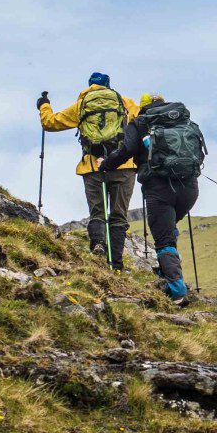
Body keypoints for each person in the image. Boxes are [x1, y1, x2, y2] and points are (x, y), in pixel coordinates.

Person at [91, 96, 207, 298]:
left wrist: (105, 164)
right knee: (168, 229)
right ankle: (167, 274)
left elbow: (126, 150)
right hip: (189, 189)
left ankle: (177, 291)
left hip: (159, 188)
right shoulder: (184, 122)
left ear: (142, 107)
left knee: (164, 240)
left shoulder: (140, 123)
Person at [38, 74, 142, 268]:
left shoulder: (82, 105)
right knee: (118, 215)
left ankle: (98, 246)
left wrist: (44, 105)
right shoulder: (124, 102)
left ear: (90, 86)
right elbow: (144, 120)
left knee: (97, 213)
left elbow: (49, 123)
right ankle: (116, 264)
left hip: (92, 166)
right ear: (109, 86)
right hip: (124, 166)